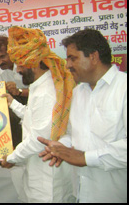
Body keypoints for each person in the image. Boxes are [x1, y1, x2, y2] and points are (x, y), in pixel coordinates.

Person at [37, 29, 127, 203]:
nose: (68, 64)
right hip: (81, 192)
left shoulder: (123, 89)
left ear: (93, 57)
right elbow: (74, 134)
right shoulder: (78, 92)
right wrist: (61, 146)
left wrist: (85, 158)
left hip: (114, 194)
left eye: (73, 58)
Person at [1, 27, 76, 203]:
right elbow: (34, 118)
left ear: (32, 62)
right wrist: (13, 104)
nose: (17, 70)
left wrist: (12, 157)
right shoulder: (41, 87)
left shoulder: (46, 92)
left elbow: (39, 137)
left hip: (47, 183)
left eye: (20, 64)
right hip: (39, 173)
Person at [0, 35, 28, 148]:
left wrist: (19, 91)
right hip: (10, 104)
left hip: (30, 101)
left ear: (11, 52)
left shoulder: (25, 63)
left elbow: (37, 90)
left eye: (2, 56)